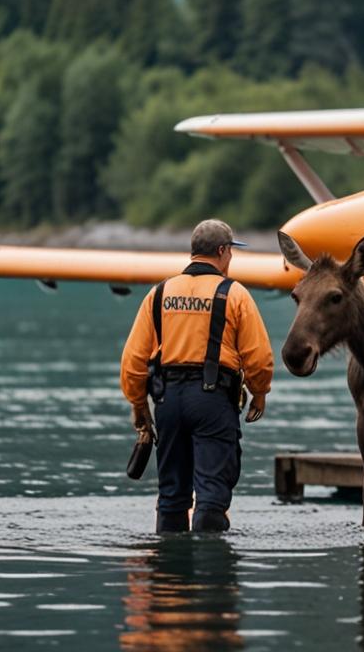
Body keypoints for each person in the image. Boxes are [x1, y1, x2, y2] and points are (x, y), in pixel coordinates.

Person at [121, 219, 273, 533]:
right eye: (230, 251)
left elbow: (134, 360)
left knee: (172, 495)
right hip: (213, 401)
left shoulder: (160, 293)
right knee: (212, 496)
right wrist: (259, 392)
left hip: (168, 402)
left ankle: (170, 575)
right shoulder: (235, 295)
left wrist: (139, 407)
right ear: (221, 251)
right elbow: (258, 357)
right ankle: (211, 573)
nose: (230, 258)